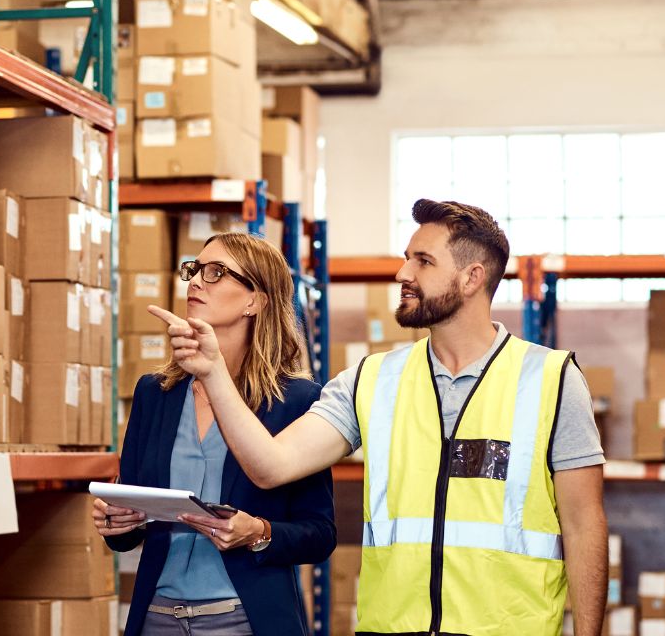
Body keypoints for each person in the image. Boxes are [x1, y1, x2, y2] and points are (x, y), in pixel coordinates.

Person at [151, 200, 608, 636]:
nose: (403, 273)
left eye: (423, 262)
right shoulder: (371, 379)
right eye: (406, 258)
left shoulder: (552, 380)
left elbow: (584, 526)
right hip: (392, 627)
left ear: (472, 278)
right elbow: (270, 466)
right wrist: (212, 371)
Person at [93, 232, 337, 636]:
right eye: (194, 270)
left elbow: (320, 534)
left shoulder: (296, 402)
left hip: (245, 619)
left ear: (254, 301)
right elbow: (130, 528)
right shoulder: (155, 394)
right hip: (157, 617)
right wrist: (119, 522)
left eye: (216, 272)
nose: (195, 282)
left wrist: (258, 533)